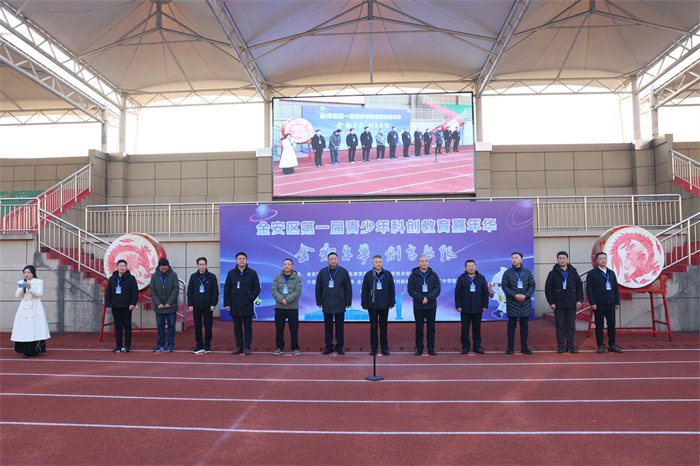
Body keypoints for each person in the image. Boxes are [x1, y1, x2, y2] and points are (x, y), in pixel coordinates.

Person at [544, 251, 583, 354]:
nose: (562, 260)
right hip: (558, 305)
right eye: (560, 258)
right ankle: (561, 346)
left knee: (570, 327)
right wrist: (551, 302)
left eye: (564, 258)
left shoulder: (573, 272)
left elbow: (579, 286)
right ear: (557, 260)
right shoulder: (553, 273)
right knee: (560, 326)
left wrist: (579, 300)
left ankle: (570, 346)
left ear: (567, 260)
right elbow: (548, 289)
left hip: (571, 304)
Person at [224, 252, 261, 356]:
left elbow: (256, 288)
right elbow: (227, 289)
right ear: (236, 260)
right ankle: (239, 346)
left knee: (248, 327)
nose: (241, 260)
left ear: (246, 260)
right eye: (239, 259)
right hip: (235, 304)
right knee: (237, 327)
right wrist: (226, 303)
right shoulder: (231, 273)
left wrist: (250, 297)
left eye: (243, 258)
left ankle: (247, 347)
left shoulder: (252, 273)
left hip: (247, 304)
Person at [315, 252, 352, 355]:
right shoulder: (322, 272)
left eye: (335, 259)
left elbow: (348, 288)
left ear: (338, 260)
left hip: (340, 303)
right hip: (327, 303)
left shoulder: (343, 272)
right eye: (331, 259)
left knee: (339, 327)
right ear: (328, 261)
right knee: (328, 327)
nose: (333, 261)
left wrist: (347, 302)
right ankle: (329, 346)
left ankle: (339, 346)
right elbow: (318, 288)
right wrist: (319, 301)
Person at [586, 252, 623, 354]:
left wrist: (617, 302)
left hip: (610, 303)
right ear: (597, 260)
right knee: (599, 325)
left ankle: (612, 345)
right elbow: (589, 289)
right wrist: (592, 302)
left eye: (604, 258)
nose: (603, 260)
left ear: (607, 260)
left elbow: (615, 288)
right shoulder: (592, 273)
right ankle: (600, 345)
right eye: (601, 259)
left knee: (612, 324)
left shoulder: (611, 273)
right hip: (598, 304)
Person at [12, 265, 50, 358]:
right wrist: (22, 287)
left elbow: (39, 294)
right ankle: (26, 351)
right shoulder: (20, 282)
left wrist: (30, 287)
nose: (26, 274)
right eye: (25, 273)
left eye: (28, 273)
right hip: (24, 309)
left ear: (33, 273)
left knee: (36, 329)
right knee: (24, 329)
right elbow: (17, 296)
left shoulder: (38, 281)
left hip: (36, 308)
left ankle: (36, 351)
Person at [502, 252, 536, 354]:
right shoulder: (507, 273)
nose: (514, 260)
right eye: (512, 258)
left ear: (521, 260)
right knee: (511, 327)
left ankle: (524, 347)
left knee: (524, 327)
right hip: (512, 303)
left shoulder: (527, 272)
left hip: (525, 303)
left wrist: (525, 295)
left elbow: (532, 285)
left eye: (516, 258)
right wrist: (515, 295)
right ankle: (510, 347)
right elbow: (505, 286)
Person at [361, 255, 395, 356]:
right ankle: (374, 348)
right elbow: (365, 290)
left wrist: (391, 302)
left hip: (384, 305)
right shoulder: (368, 275)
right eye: (376, 262)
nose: (378, 264)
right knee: (373, 327)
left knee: (384, 327)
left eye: (380, 262)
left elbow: (392, 290)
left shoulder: (388, 274)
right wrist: (364, 303)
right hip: (372, 305)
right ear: (372, 263)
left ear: (382, 263)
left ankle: (384, 348)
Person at [407, 255, 441, 355]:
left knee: (431, 328)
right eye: (422, 261)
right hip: (418, 306)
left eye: (426, 261)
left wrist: (428, 298)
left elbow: (437, 289)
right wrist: (421, 298)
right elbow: (411, 290)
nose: (424, 263)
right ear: (418, 263)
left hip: (431, 306)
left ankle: (431, 348)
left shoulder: (434, 275)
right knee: (419, 328)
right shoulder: (413, 275)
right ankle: (419, 348)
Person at [454, 260, 489, 354]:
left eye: (473, 265)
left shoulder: (481, 278)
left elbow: (485, 293)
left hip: (478, 307)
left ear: (476, 267)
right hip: (465, 307)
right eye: (469, 266)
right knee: (465, 329)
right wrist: (458, 305)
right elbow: (457, 293)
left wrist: (485, 305)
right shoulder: (461, 278)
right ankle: (465, 347)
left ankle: (477, 347)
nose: (471, 268)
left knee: (477, 329)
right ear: (465, 268)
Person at [187, 257, 219, 354]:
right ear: (197, 265)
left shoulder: (212, 277)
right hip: (196, 305)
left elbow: (215, 292)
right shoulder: (193, 277)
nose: (202, 266)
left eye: (204, 264)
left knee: (208, 326)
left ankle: (207, 346)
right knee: (198, 326)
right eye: (200, 264)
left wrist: (213, 304)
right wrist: (190, 304)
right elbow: (190, 291)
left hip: (208, 305)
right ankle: (199, 345)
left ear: (206, 265)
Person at [105, 259, 138, 353]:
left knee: (127, 326)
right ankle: (118, 346)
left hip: (127, 306)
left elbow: (135, 292)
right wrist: (108, 304)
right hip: (115, 306)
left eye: (124, 266)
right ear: (117, 267)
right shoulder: (112, 279)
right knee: (118, 326)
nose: (122, 267)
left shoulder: (131, 278)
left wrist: (132, 304)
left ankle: (127, 345)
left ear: (127, 267)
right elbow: (108, 293)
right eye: (120, 266)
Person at [271, 258, 302, 356]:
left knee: (294, 329)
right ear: (282, 266)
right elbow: (274, 290)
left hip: (292, 308)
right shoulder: (277, 277)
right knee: (279, 329)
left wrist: (287, 300)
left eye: (289, 264)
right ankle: (279, 348)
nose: (287, 266)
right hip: (280, 308)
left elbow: (298, 291)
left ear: (292, 267)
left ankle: (295, 348)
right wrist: (282, 300)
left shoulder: (297, 278)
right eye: (285, 264)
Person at [150, 258, 179, 353]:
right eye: (162, 268)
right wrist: (158, 303)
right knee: (160, 326)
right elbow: (152, 290)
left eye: (166, 268)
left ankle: (171, 345)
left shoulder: (173, 275)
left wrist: (169, 302)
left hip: (171, 306)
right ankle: (160, 344)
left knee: (171, 326)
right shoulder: (154, 276)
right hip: (159, 307)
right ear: (159, 267)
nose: (164, 270)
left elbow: (175, 289)